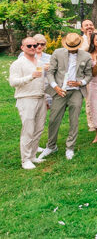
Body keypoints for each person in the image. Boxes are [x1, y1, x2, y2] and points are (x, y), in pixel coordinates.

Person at [40, 33, 93, 160]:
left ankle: (70, 147)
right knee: (53, 119)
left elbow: (89, 75)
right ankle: (51, 146)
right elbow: (50, 72)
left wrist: (80, 83)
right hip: (60, 91)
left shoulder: (86, 56)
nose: (71, 49)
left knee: (74, 120)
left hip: (76, 91)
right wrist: (56, 87)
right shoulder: (57, 53)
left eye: (74, 47)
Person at [10, 37, 47, 169]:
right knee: (28, 130)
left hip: (41, 97)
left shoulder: (40, 62)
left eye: (35, 45)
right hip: (26, 98)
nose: (33, 48)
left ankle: (32, 156)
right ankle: (25, 159)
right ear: (22, 48)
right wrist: (31, 76)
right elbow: (13, 82)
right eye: (29, 46)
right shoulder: (18, 63)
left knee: (39, 128)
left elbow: (43, 81)